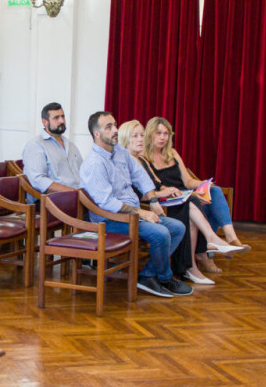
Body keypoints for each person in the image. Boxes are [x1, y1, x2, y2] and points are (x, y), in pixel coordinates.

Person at [80, 112, 191, 298]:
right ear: (96, 134)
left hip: (130, 214)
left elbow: (139, 174)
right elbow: (107, 203)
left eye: (115, 124)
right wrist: (141, 213)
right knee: (161, 233)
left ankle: (148, 275)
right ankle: (164, 277)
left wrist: (153, 200)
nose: (115, 130)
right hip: (110, 219)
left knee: (178, 227)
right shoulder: (95, 163)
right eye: (109, 127)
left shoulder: (119, 151)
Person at [138, 117, 246, 277]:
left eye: (166, 134)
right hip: (167, 202)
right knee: (197, 202)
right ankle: (205, 249)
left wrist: (203, 184)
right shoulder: (142, 157)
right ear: (150, 134)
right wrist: (190, 194)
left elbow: (187, 181)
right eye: (158, 133)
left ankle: (230, 237)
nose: (162, 137)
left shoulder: (172, 153)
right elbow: (154, 188)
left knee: (214, 191)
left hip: (185, 195)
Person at [22, 102, 82, 197]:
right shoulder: (36, 145)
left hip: (78, 195)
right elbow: (39, 181)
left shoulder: (70, 144)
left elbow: (82, 171)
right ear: (45, 122)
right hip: (52, 199)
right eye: (56, 118)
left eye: (63, 116)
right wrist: (73, 192)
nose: (62, 121)